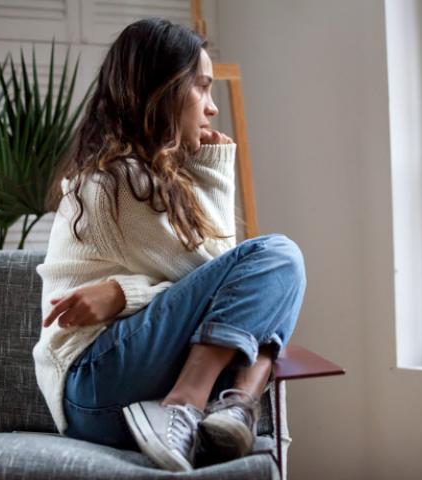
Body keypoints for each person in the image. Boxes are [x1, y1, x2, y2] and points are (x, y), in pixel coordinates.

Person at [32, 17, 306, 472]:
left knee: (268, 289)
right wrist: (216, 168)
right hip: (96, 381)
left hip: (118, 388)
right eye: (201, 88)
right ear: (162, 90)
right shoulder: (118, 181)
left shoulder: (152, 178)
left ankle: (232, 408)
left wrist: (123, 294)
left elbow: (226, 293)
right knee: (279, 258)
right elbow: (226, 272)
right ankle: (194, 402)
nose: (212, 108)